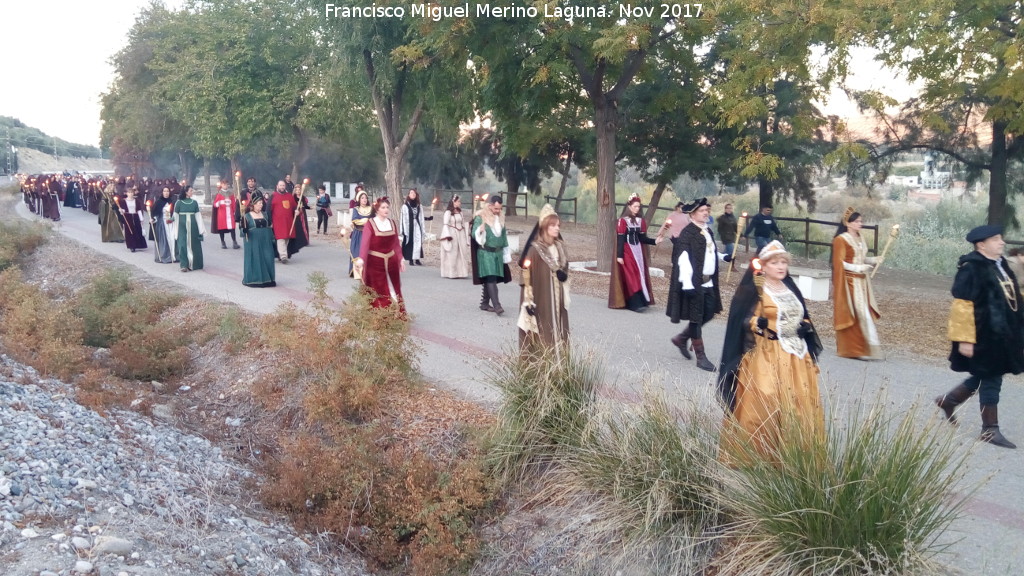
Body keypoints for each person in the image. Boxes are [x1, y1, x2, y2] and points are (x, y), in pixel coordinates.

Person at [718, 241, 824, 457]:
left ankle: (795, 454)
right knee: (767, 400)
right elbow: (742, 320)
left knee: (799, 403)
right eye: (775, 262)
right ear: (763, 266)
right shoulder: (755, 290)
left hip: (796, 355)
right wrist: (757, 323)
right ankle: (758, 454)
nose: (780, 266)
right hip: (767, 354)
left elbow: (801, 314)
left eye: (783, 262)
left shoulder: (791, 288)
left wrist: (806, 327)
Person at [936, 225, 1024, 449]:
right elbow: (962, 306)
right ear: (981, 245)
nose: (1002, 242)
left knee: (984, 374)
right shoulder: (971, 268)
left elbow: (1012, 297)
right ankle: (989, 429)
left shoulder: (1001, 264)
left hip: (1003, 334)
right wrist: (965, 339)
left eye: (1001, 238)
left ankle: (948, 401)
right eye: (996, 239)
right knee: (992, 378)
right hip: (983, 334)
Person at [667, 198, 724, 372]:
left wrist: (724, 257)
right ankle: (701, 357)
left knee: (709, 313)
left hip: (708, 282)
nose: (706, 213)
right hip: (694, 283)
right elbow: (683, 260)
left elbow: (710, 252)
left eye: (707, 210)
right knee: (696, 318)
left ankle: (682, 338)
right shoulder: (688, 233)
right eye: (702, 211)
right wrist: (687, 284)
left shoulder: (706, 231)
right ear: (692, 214)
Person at [518, 204, 570, 356]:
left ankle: (561, 370)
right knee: (543, 330)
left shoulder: (560, 247)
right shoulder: (534, 250)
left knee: (559, 329)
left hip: (558, 299)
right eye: (553, 225)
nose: (556, 228)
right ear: (544, 226)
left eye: (558, 225)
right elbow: (526, 277)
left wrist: (564, 274)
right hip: (542, 298)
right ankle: (543, 370)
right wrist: (528, 302)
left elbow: (565, 267)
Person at [831, 207, 883, 359]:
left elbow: (861, 258)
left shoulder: (860, 238)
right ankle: (856, 349)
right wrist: (859, 268)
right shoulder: (841, 240)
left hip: (862, 284)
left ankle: (866, 349)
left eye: (861, 221)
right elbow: (839, 263)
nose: (860, 224)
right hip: (849, 283)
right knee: (858, 314)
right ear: (848, 223)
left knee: (864, 314)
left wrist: (873, 260)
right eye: (857, 221)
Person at [609, 193, 661, 311]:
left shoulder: (640, 221)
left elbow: (642, 239)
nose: (637, 208)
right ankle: (634, 303)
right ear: (629, 206)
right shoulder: (623, 221)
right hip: (627, 251)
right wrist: (619, 255)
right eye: (635, 206)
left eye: (638, 206)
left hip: (638, 251)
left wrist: (655, 241)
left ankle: (640, 301)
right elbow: (621, 239)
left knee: (639, 274)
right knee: (631, 274)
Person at [356, 197, 406, 311]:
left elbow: (396, 244)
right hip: (375, 261)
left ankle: (397, 314)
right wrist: (361, 259)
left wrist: (401, 258)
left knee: (396, 287)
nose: (386, 210)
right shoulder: (370, 223)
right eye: (383, 207)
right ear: (377, 209)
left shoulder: (392, 223)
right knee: (380, 289)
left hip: (391, 260)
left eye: (387, 207)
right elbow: (365, 243)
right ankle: (382, 315)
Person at [472, 195, 511, 315]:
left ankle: (484, 303)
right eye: (495, 209)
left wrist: (505, 253)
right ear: (490, 206)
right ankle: (497, 305)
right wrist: (480, 230)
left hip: (497, 253)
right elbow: (474, 233)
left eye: (499, 209)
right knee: (491, 278)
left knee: (492, 278)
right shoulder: (481, 218)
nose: (498, 211)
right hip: (485, 253)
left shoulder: (501, 218)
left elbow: (504, 236)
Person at [240, 191, 276, 288]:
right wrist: (244, 229)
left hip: (265, 241)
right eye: (259, 203)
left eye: (262, 203)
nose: (261, 205)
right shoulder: (246, 216)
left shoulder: (265, 214)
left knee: (268, 257)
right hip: (253, 242)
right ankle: (254, 279)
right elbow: (242, 232)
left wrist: (272, 239)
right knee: (256, 259)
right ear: (253, 205)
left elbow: (269, 227)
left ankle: (268, 279)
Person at [174, 185, 205, 272]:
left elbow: (198, 216)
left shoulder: (194, 203)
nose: (192, 192)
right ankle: (184, 265)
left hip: (193, 227)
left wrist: (201, 229)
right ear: (186, 192)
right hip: (182, 226)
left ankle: (194, 264)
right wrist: (171, 220)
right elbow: (175, 215)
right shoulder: (179, 203)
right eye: (191, 190)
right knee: (183, 244)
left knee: (193, 245)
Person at [439, 195, 471, 279]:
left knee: (462, 252)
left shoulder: (460, 212)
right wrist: (447, 235)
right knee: (453, 253)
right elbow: (445, 225)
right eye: (458, 201)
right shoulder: (448, 212)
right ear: (454, 202)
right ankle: (451, 272)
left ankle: (461, 272)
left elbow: (463, 224)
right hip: (452, 233)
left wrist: (469, 224)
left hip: (461, 234)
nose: (460, 203)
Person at [343, 189, 373, 278]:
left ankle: (367, 272)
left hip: (368, 234)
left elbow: (374, 219)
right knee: (357, 251)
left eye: (365, 198)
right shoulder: (356, 209)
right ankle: (357, 272)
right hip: (358, 233)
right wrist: (366, 220)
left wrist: (369, 221)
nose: (364, 200)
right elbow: (355, 220)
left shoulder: (371, 209)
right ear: (359, 199)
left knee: (368, 252)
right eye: (362, 198)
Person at [399, 188, 432, 265]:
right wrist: (404, 229)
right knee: (411, 241)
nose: (412, 194)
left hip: (417, 225)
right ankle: (410, 259)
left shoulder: (419, 206)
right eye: (411, 193)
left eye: (414, 193)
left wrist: (427, 218)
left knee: (418, 241)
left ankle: (417, 258)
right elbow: (403, 218)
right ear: (409, 195)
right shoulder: (405, 206)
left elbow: (420, 217)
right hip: (409, 226)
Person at [270, 180, 297, 263]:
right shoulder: (273, 196)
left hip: (288, 221)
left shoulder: (289, 196)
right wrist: (270, 221)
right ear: (277, 186)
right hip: (278, 222)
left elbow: (295, 207)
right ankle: (283, 256)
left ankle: (280, 254)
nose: (282, 187)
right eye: (280, 185)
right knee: (280, 238)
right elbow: (268, 210)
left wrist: (297, 211)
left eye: (283, 185)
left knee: (286, 238)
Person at [117, 186, 148, 253]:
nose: (130, 194)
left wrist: (141, 218)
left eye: (131, 192)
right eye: (129, 192)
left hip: (135, 216)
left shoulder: (136, 201)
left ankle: (138, 244)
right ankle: (131, 245)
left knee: (137, 230)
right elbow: (122, 210)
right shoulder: (123, 201)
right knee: (129, 231)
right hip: (128, 216)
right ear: (127, 193)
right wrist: (121, 210)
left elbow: (139, 210)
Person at [151, 186, 176, 264]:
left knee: (172, 238)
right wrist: (153, 218)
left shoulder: (172, 201)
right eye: (164, 191)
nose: (166, 193)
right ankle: (164, 256)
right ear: (162, 192)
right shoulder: (159, 202)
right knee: (164, 239)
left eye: (167, 191)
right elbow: (155, 213)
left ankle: (174, 256)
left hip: (172, 223)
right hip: (162, 223)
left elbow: (175, 212)